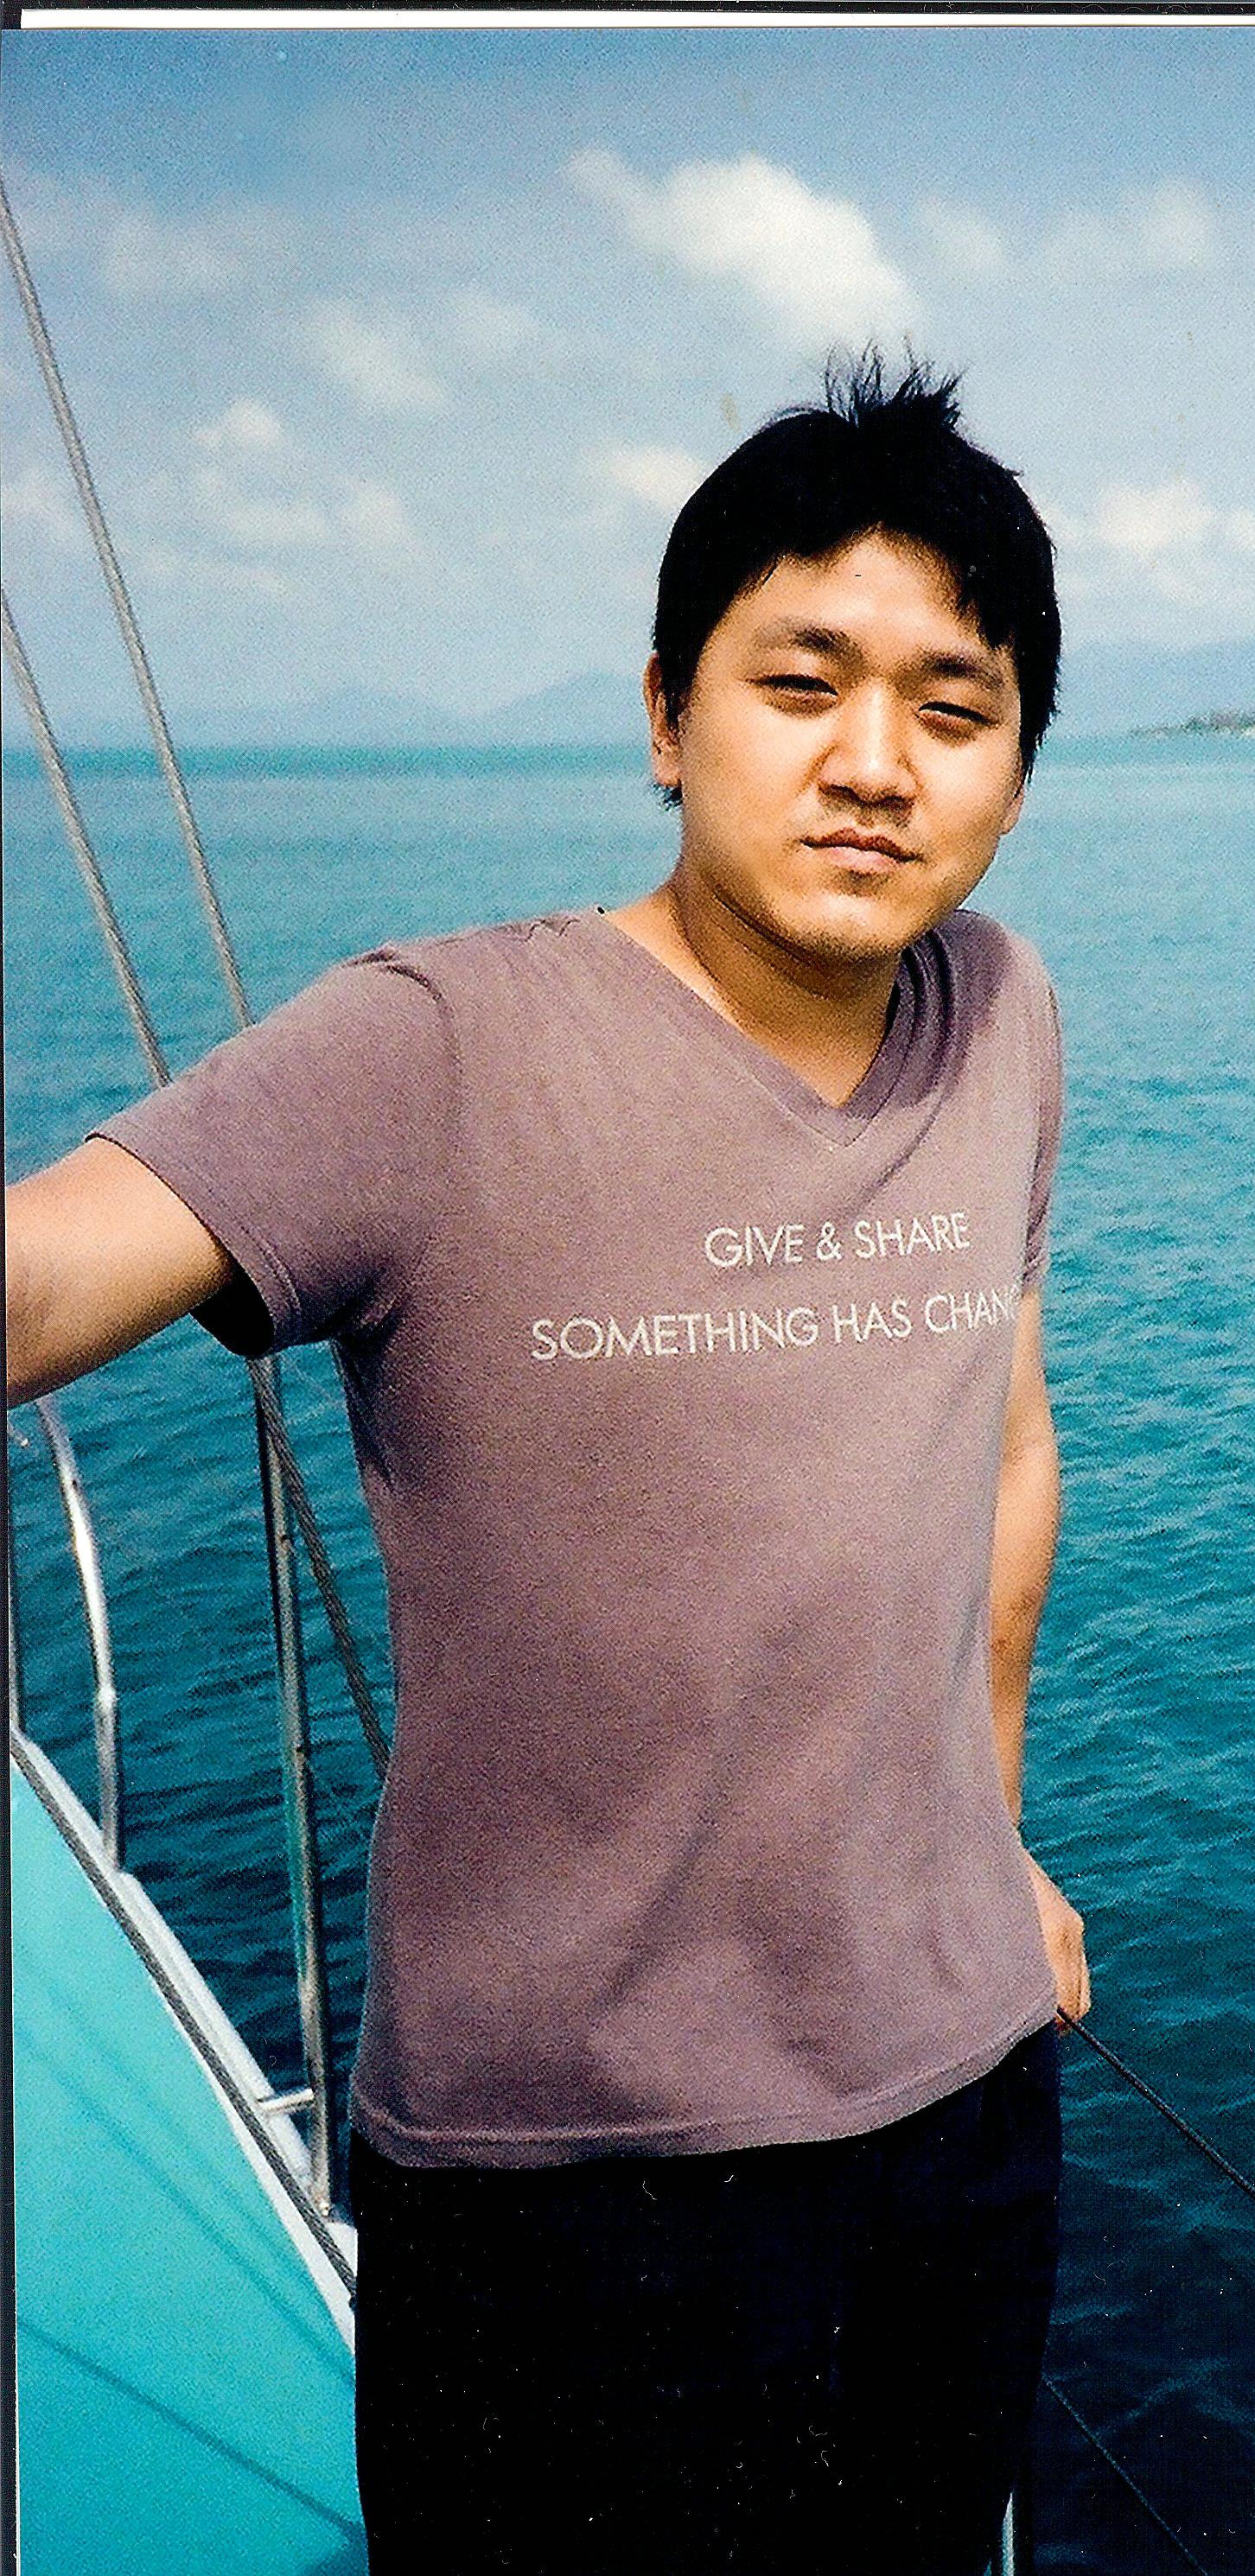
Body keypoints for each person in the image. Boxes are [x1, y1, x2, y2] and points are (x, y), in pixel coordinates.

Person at [4, 353, 1087, 2575]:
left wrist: (991, 1844)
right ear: (669, 715)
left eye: (954, 709)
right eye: (803, 683)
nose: (875, 763)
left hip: (961, 2125)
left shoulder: (1004, 1014)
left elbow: (1003, 1443)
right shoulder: (438, 1049)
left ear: (1016, 764)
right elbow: (32, 1288)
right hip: (565, 2189)